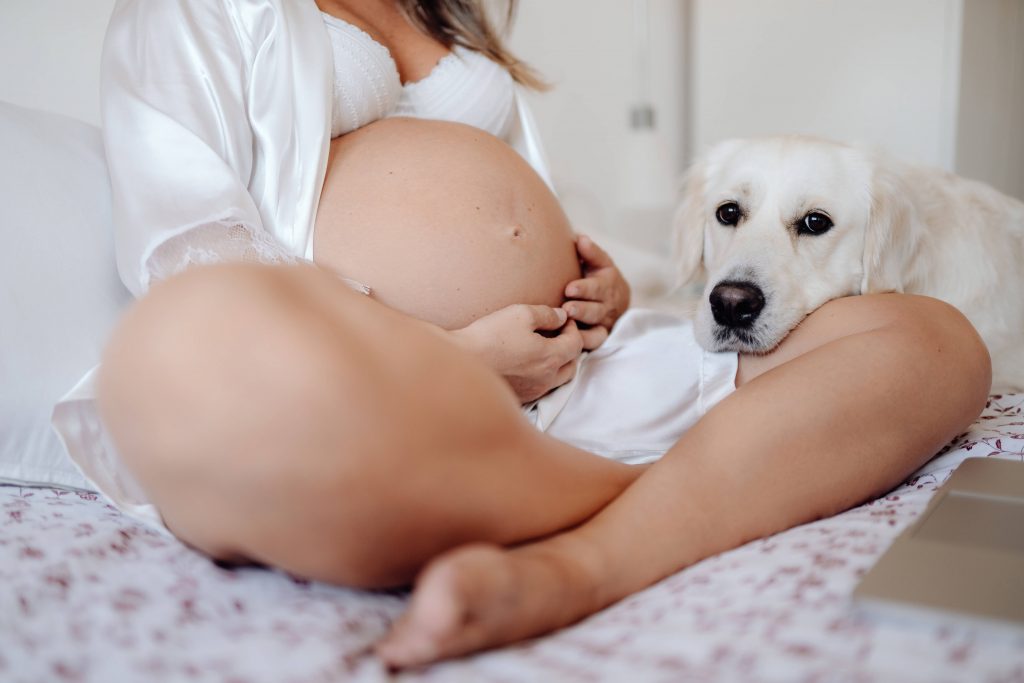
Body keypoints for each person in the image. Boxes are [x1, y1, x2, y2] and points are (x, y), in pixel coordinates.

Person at [55, 0, 990, 670]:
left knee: (931, 342)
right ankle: (681, 499)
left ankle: (585, 552)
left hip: (564, 378)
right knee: (183, 349)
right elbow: (193, 251)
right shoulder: (188, 9)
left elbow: (518, 203)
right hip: (374, 389)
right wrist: (450, 362)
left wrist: (599, 281)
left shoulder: (444, 12)